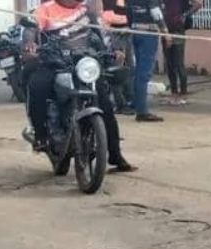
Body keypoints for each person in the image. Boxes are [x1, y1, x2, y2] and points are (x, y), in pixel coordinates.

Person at [23, 0, 136, 171]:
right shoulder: (45, 10)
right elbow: (31, 29)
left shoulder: (86, 12)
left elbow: (103, 34)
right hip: (55, 63)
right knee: (37, 86)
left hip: (84, 65)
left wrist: (115, 50)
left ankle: (115, 155)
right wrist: (30, 44)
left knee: (106, 106)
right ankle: (40, 136)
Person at [126, 0, 172, 122]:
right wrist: (165, 31)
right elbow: (156, 12)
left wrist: (131, 28)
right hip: (148, 34)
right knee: (144, 73)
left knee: (138, 71)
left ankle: (137, 103)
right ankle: (142, 111)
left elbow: (129, 12)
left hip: (136, 32)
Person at [161, 0, 202, 105]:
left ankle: (183, 93)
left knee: (178, 63)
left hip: (178, 30)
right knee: (169, 64)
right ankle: (174, 93)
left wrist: (184, 15)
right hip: (165, 31)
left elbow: (198, 4)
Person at [101, 0, 136, 115]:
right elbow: (108, 17)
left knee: (129, 69)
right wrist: (128, 21)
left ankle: (129, 100)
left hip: (126, 34)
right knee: (117, 71)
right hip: (116, 35)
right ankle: (120, 104)